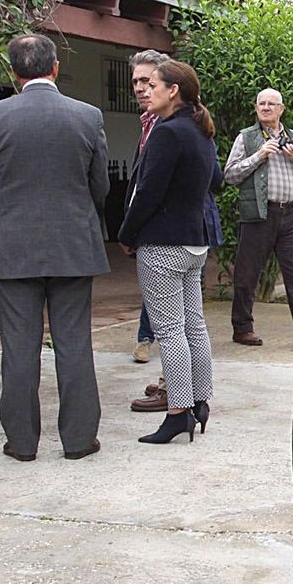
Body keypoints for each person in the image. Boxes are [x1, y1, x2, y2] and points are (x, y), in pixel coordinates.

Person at [0, 34, 108, 462]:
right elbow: (101, 186)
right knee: (74, 344)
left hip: (13, 245)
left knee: (18, 346)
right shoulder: (87, 116)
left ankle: (23, 442)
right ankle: (79, 438)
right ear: (54, 68)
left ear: (14, 74)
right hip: (73, 243)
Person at [118, 60, 221, 444]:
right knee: (193, 325)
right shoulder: (200, 130)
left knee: (170, 330)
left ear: (173, 90)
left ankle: (178, 412)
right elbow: (216, 181)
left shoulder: (167, 132)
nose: (147, 90)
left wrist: (126, 233)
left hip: (163, 243)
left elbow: (148, 192)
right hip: (194, 240)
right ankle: (200, 399)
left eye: (153, 84)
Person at [224, 88, 293, 349]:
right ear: (256, 108)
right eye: (261, 104)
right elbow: (230, 175)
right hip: (259, 214)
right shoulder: (247, 138)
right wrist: (259, 156)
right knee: (247, 275)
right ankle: (242, 328)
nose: (266, 108)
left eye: (271, 104)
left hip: (290, 214)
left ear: (282, 109)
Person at [129, 49, 166, 369]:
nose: (140, 88)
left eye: (147, 81)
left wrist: (128, 229)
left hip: (170, 231)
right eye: (136, 82)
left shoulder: (171, 125)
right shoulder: (147, 122)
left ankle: (177, 400)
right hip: (154, 227)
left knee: (175, 325)